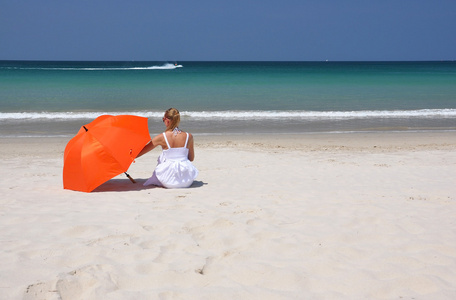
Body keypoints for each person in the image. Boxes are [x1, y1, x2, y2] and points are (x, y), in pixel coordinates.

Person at [138, 108, 198, 188]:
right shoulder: (189, 136)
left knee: (164, 156)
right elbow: (191, 158)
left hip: (168, 181)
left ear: (167, 120)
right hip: (186, 180)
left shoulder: (161, 137)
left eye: (163, 119)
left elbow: (141, 152)